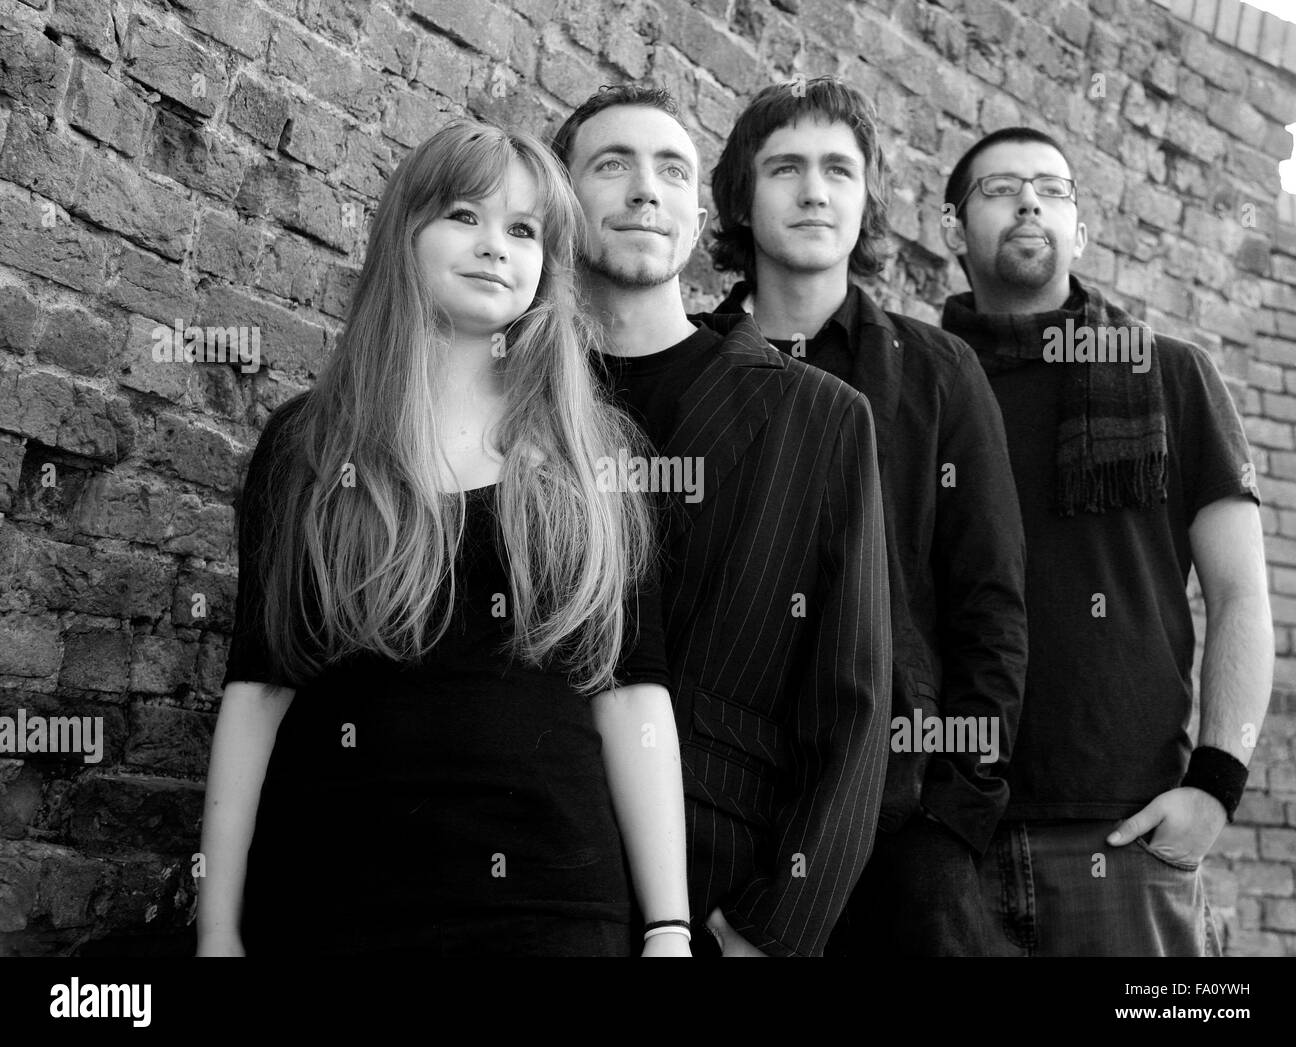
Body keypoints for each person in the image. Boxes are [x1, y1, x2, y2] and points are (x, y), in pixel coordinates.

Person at [196, 119, 691, 958]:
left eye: (524, 230)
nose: (496, 245)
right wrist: (216, 931)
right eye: (465, 215)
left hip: (551, 908)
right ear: (406, 233)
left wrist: (669, 927)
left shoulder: (594, 456)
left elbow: (631, 696)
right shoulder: (308, 444)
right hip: (329, 900)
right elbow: (258, 690)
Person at [553, 85, 892, 957]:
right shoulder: (509, 397)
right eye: (612, 165)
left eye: (672, 170)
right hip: (523, 866)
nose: (645, 189)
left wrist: (776, 929)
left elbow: (852, 703)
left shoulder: (820, 416)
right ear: (559, 201)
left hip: (718, 890)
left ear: (698, 216)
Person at [705, 77, 1027, 957]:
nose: (815, 191)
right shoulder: (693, 363)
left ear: (866, 199)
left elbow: (990, 606)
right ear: (741, 198)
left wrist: (953, 817)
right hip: (720, 814)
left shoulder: (938, 373)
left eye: (839, 171)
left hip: (900, 820)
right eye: (786, 168)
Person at [939, 126, 1273, 955]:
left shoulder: (1172, 375)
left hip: (1126, 836)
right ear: (952, 228)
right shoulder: (918, 381)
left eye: (1052, 190)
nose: (1029, 203)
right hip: (943, 834)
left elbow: (1241, 595)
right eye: (1000, 188)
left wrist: (1215, 787)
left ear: (1081, 232)